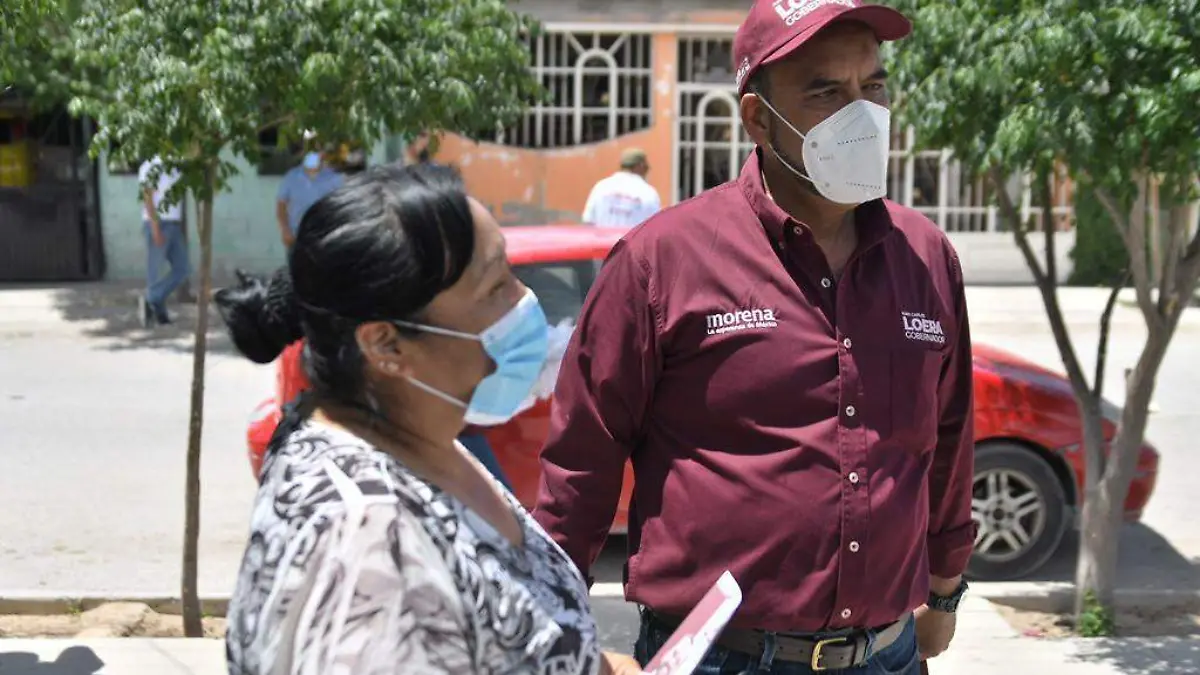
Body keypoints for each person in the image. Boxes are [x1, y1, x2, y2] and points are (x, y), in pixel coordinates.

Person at [533, 2, 975, 674]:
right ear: (759, 119)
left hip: (887, 653)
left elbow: (948, 436)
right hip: (722, 658)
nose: (861, 113)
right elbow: (580, 463)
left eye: (873, 86)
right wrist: (552, 630)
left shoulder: (926, 256)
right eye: (826, 92)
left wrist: (945, 586)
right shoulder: (663, 261)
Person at [216, 163, 641, 675]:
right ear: (386, 345)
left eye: (511, 274)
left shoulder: (426, 445)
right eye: (494, 288)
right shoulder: (367, 540)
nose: (524, 303)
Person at [137, 156, 190, 327]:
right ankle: (157, 311)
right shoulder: (151, 166)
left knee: (182, 269)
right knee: (155, 271)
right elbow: (148, 198)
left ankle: (152, 299)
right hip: (159, 223)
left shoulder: (175, 166)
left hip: (174, 223)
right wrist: (155, 229)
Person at [275, 138, 343, 249]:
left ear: (323, 154)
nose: (313, 155)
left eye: (317, 150)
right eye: (309, 150)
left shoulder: (335, 179)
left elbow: (340, 208)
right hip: (297, 238)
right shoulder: (291, 177)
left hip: (324, 238)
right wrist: (285, 230)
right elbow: (281, 206)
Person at [580, 148, 662, 228]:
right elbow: (656, 227)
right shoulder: (648, 192)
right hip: (633, 237)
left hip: (602, 237)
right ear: (640, 166)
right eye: (646, 168)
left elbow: (588, 222)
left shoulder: (601, 187)